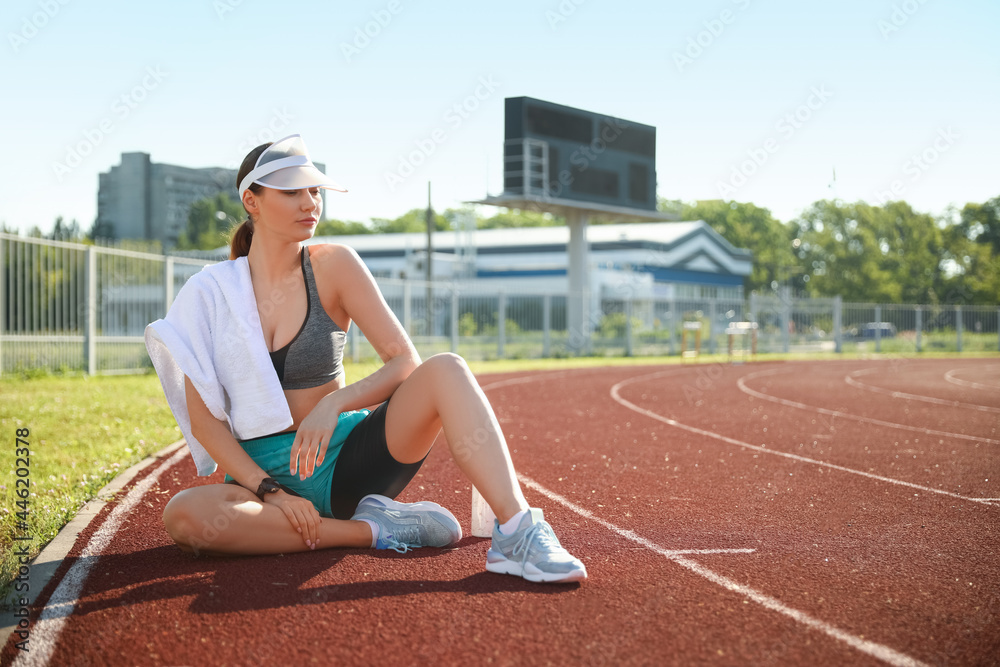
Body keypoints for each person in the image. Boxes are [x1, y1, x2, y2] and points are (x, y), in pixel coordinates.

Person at [145, 134, 586, 584]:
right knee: (186, 518)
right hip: (257, 479)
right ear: (251, 201)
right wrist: (272, 493)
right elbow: (205, 423)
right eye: (292, 192)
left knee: (446, 369)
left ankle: (517, 532)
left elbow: (403, 363)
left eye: (313, 190)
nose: (309, 203)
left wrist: (333, 404)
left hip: (347, 464)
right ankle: (372, 531)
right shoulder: (208, 293)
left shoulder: (335, 265)